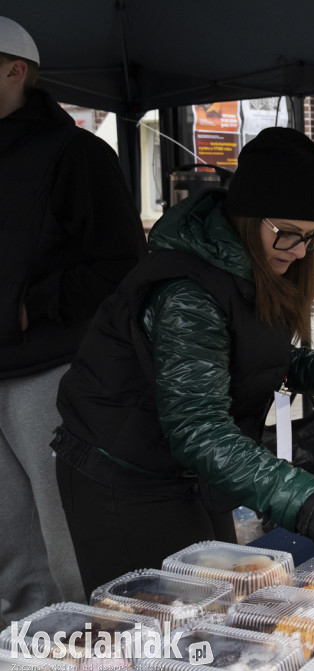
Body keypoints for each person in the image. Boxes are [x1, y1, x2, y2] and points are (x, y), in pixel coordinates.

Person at [52, 127, 314, 593]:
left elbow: (242, 358)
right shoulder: (187, 293)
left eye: (311, 238)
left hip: (190, 469)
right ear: (247, 217)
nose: (297, 253)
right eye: (287, 235)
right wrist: (300, 500)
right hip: (124, 475)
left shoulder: (250, 267)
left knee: (219, 602)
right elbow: (197, 424)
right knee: (157, 625)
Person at [0, 17, 147, 625]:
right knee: (6, 528)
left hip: (46, 368)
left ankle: (93, 636)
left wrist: (36, 304)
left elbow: (121, 264)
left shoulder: (76, 153)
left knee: (62, 525)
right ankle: (22, 642)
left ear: (14, 70)